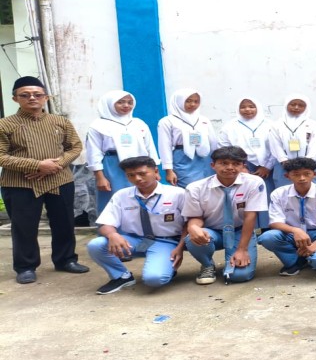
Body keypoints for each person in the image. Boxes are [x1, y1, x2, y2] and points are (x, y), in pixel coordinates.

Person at [0, 76, 88, 284]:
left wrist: (55, 165)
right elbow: (1, 155)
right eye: (25, 95)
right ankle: (25, 267)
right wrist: (37, 165)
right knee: (24, 227)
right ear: (15, 99)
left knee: (64, 222)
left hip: (60, 179)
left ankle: (66, 259)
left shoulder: (60, 122)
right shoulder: (4, 125)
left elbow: (75, 146)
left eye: (37, 94)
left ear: (45, 98)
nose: (32, 98)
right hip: (20, 183)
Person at [86, 156, 186, 294]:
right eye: (131, 175)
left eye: (142, 173)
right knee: (96, 245)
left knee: (154, 279)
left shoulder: (177, 193)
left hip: (165, 241)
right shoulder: (121, 195)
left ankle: (165, 267)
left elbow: (189, 222)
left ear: (156, 171)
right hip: (135, 240)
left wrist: (180, 247)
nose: (137, 178)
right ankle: (121, 276)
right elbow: (105, 223)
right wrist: (113, 234)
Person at [182, 146, 267, 284]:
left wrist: (242, 249)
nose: (230, 167)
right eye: (224, 163)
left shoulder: (254, 183)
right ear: (213, 165)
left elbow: (250, 216)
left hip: (239, 231)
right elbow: (195, 217)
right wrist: (193, 227)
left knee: (239, 276)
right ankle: (207, 265)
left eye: (236, 164)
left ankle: (234, 259)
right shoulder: (195, 188)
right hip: (212, 232)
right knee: (193, 237)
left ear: (243, 166)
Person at [258, 158, 316, 275]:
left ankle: (311, 255)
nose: (302, 178)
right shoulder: (278, 194)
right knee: (267, 237)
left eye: (307, 174)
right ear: (287, 176)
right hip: (292, 235)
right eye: (296, 174)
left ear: (314, 174)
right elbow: (275, 222)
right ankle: (297, 260)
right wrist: (295, 230)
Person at [85, 90, 159, 212]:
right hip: (113, 166)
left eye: (130, 102)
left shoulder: (139, 123)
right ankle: (113, 225)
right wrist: (100, 177)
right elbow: (94, 152)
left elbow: (150, 147)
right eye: (120, 102)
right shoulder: (98, 125)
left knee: (142, 197)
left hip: (141, 166)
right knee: (114, 200)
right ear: (109, 104)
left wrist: (155, 170)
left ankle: (141, 224)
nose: (126, 106)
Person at [218, 97, 274, 228]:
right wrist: (240, 167)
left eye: (251, 106)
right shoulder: (230, 126)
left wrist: (267, 166)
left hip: (267, 168)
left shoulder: (270, 125)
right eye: (243, 107)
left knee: (266, 196)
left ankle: (266, 227)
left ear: (258, 107)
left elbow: (276, 147)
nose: (247, 110)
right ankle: (249, 228)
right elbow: (223, 147)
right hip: (241, 166)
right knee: (245, 197)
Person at [158, 88, 217, 188]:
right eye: (188, 101)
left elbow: (213, 141)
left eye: (196, 101)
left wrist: (217, 160)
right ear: (179, 101)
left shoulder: (203, 119)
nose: (192, 104)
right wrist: (169, 170)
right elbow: (164, 146)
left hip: (205, 158)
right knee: (189, 188)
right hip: (183, 158)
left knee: (208, 187)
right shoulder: (167, 121)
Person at [268, 94, 316, 188]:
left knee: (310, 190)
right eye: (293, 104)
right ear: (286, 105)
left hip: (309, 164)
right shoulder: (277, 125)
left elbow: (315, 143)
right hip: (284, 164)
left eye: (301, 105)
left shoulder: (312, 124)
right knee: (284, 191)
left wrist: (308, 161)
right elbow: (275, 144)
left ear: (306, 107)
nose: (296, 107)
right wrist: (284, 161)